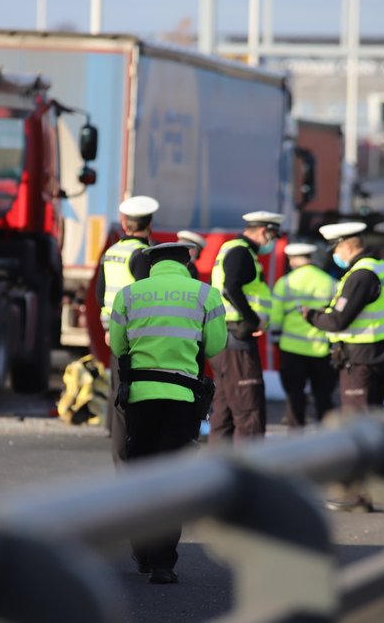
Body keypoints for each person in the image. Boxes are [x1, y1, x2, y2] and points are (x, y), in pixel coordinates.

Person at [108, 242, 227, 584]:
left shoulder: (130, 295)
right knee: (172, 478)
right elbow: (216, 346)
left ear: (151, 263)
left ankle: (142, 553)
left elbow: (117, 347)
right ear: (186, 262)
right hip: (183, 398)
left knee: (141, 473)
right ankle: (162, 564)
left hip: (141, 398)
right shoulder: (206, 294)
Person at [303, 222, 384, 415]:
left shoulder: (361, 275)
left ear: (347, 247)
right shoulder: (381, 266)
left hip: (360, 358)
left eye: (335, 249)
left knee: (358, 417)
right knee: (374, 413)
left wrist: (312, 315)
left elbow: (338, 321)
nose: (334, 255)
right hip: (380, 352)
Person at [208, 211, 282, 442]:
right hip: (236, 340)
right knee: (248, 408)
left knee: (225, 410)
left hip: (226, 339)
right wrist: (251, 319)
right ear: (263, 232)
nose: (272, 243)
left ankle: (217, 468)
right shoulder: (241, 252)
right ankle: (252, 470)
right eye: (273, 236)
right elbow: (231, 288)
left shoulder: (236, 250)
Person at [98, 195, 159, 463]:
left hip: (116, 331)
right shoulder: (142, 255)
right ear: (150, 224)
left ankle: (119, 455)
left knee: (120, 397)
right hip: (139, 335)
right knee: (139, 400)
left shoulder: (112, 252)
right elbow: (148, 295)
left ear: (124, 223)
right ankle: (133, 464)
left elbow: (102, 293)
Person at [269, 243, 337, 427]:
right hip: (322, 349)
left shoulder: (285, 282)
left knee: (295, 395)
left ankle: (296, 432)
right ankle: (328, 433)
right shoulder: (330, 282)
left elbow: (275, 317)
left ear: (293, 260)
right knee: (324, 395)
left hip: (291, 348)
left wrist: (276, 340)